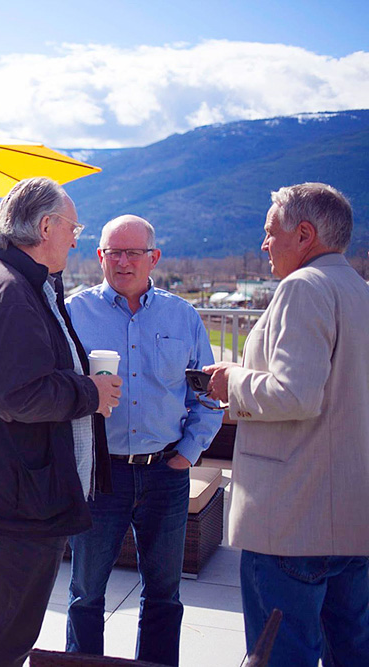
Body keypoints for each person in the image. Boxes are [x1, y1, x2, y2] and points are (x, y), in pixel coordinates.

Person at [0, 177, 123, 667]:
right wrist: (91, 392)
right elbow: (18, 396)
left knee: (4, 629)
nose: (76, 237)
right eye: (72, 227)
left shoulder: (9, 282)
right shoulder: (10, 293)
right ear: (45, 227)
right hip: (13, 501)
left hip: (11, 491)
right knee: (2, 636)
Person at [204, 183, 369, 667]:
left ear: (304, 234)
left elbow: (295, 393)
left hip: (290, 520)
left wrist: (231, 381)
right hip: (351, 520)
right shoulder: (358, 291)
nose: (263, 244)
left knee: (280, 656)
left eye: (269, 233)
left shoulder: (303, 288)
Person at [65, 215, 223, 666]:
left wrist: (187, 455)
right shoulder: (76, 313)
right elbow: (57, 388)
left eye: (134, 252)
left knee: (163, 596)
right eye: (113, 251)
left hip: (165, 474)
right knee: (85, 594)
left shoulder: (183, 316)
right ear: (99, 256)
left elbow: (208, 394)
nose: (123, 261)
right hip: (100, 472)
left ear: (154, 257)